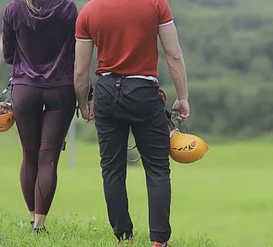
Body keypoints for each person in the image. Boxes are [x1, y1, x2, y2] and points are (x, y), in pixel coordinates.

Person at [73, 0, 190, 245]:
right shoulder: (156, 3)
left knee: (112, 169)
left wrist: (85, 102)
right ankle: (159, 241)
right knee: (157, 169)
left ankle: (123, 238)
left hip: (105, 91)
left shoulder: (89, 11)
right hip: (144, 92)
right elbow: (174, 54)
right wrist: (182, 97)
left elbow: (81, 71)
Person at [2, 0, 78, 233]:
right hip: (61, 89)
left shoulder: (13, 8)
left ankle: (31, 217)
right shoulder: (67, 8)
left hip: (24, 89)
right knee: (49, 158)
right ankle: (40, 225)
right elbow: (76, 52)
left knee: (29, 154)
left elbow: (8, 55)